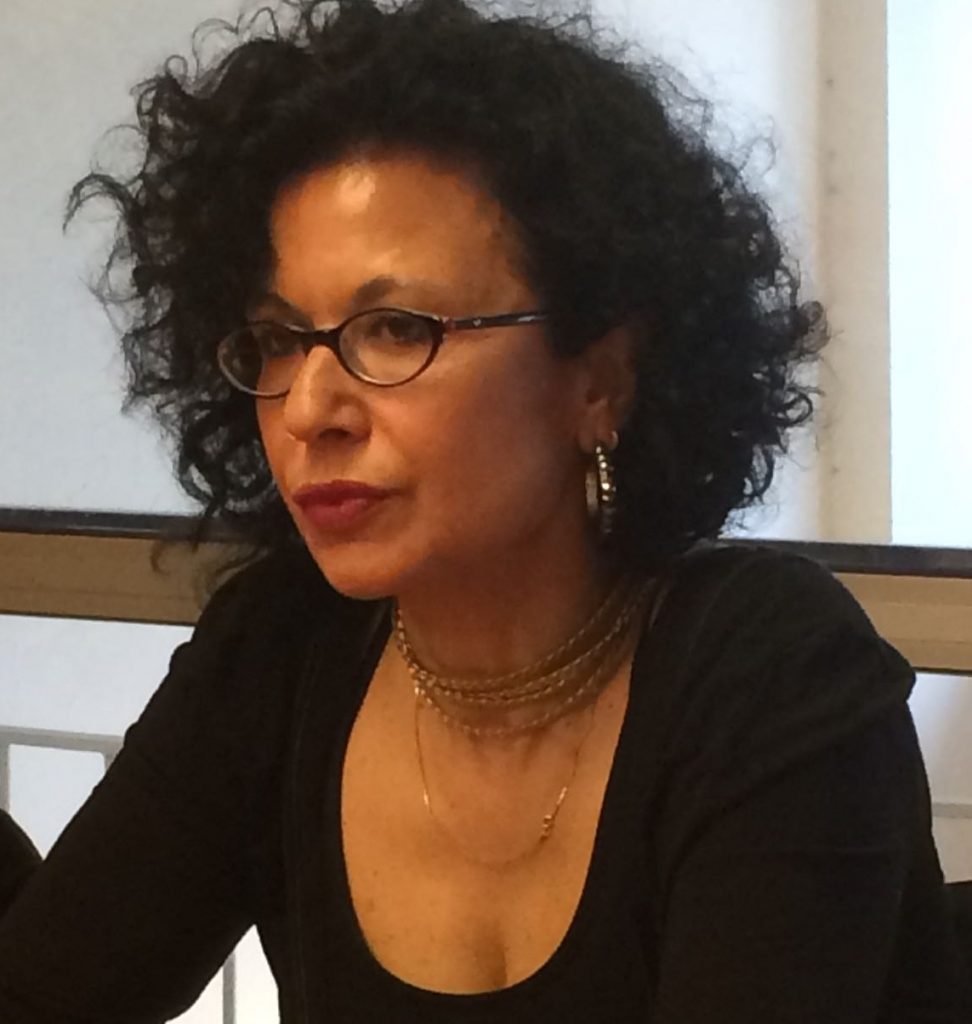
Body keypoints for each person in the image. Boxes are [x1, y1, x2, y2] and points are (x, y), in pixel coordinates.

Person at [0, 0, 967, 1020]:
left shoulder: (767, 670)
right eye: (280, 340)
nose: (312, 408)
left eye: (396, 327)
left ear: (600, 377)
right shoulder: (281, 652)